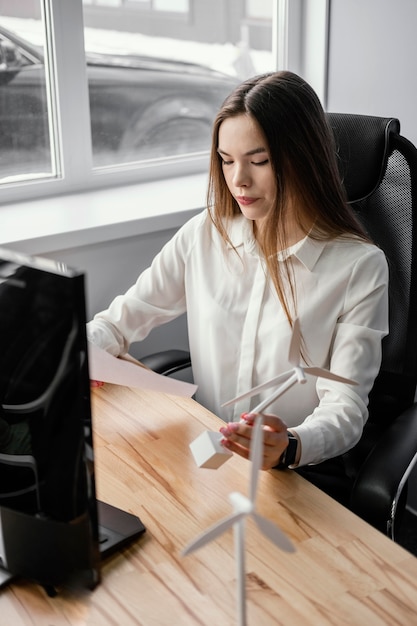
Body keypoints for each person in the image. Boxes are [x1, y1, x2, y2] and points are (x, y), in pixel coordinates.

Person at [87, 71, 388, 499]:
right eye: (226, 160)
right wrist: (75, 352)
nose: (238, 180)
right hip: (203, 459)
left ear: (302, 158)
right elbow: (117, 324)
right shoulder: (205, 234)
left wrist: (290, 445)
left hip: (288, 476)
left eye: (258, 161)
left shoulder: (360, 267)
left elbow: (345, 408)